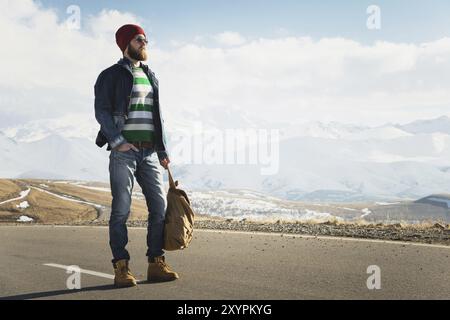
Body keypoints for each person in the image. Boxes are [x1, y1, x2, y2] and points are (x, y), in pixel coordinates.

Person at [94, 24, 178, 287]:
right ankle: (121, 267)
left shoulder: (152, 76)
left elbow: (157, 117)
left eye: (146, 39)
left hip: (150, 152)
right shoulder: (110, 75)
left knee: (160, 209)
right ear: (126, 43)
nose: (145, 43)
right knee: (121, 210)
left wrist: (162, 150)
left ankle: (156, 263)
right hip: (124, 153)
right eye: (139, 39)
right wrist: (118, 141)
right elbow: (102, 112)